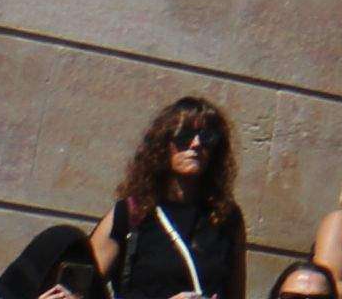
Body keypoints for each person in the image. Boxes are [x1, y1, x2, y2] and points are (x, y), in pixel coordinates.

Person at [97, 101, 248, 299]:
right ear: (164, 145)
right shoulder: (133, 212)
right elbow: (82, 289)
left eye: (207, 137)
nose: (196, 144)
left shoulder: (225, 217)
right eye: (184, 136)